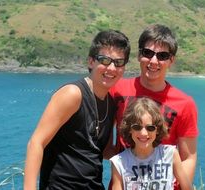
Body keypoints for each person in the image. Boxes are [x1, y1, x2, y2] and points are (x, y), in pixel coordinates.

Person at [24, 29, 131, 190]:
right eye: (104, 60)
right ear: (91, 62)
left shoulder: (111, 103)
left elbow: (105, 152)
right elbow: (36, 143)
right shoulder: (73, 94)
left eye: (118, 62)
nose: (111, 68)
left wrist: (145, 153)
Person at [106, 24, 198, 189]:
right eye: (148, 53)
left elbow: (188, 158)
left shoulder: (185, 104)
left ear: (171, 60)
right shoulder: (116, 90)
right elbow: (105, 143)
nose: (154, 61)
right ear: (139, 55)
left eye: (162, 56)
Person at [110, 97, 193, 190]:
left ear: (157, 130)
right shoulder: (119, 162)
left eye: (150, 128)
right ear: (130, 129)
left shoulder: (170, 154)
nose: (143, 133)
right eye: (137, 127)